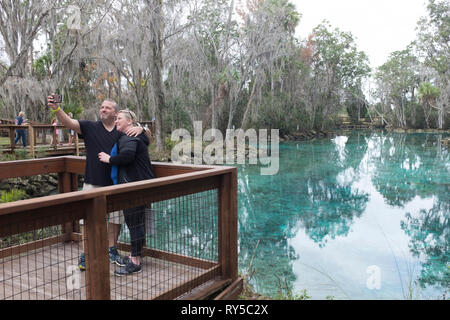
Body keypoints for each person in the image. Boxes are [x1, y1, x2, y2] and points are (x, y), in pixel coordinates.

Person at [47, 94, 151, 271]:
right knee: (87, 221)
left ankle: (112, 249)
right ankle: (86, 254)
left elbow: (145, 137)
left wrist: (141, 129)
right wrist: (56, 108)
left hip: (116, 183)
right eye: (102, 107)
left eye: (107, 108)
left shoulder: (120, 130)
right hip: (93, 181)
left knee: (116, 219)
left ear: (115, 112)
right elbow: (69, 123)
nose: (103, 110)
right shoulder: (90, 127)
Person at [98, 109, 155, 276]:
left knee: (135, 224)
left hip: (134, 187)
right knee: (136, 223)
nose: (116, 121)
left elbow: (128, 156)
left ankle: (135, 262)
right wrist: (143, 129)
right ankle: (134, 256)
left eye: (119, 119)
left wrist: (110, 159)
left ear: (129, 122)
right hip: (137, 185)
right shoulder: (133, 134)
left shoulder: (130, 136)